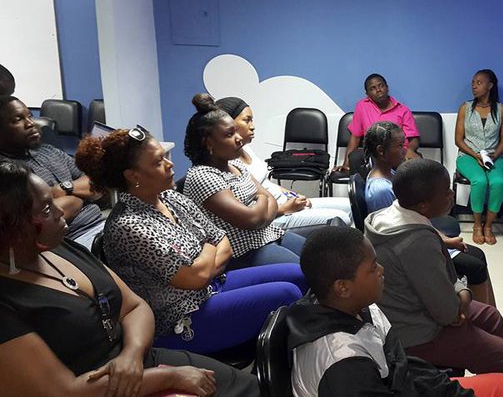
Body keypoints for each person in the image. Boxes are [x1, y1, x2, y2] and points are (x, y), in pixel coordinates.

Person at [0, 161, 259, 396]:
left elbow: (135, 306)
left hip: (140, 357)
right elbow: (61, 393)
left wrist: (132, 355)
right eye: (46, 208)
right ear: (10, 226)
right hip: (100, 389)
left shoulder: (62, 247)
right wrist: (166, 376)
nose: (60, 211)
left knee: (248, 387)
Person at [75, 128, 305, 354]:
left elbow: (223, 241)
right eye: (158, 162)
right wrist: (207, 250)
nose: (170, 164)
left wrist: (205, 262)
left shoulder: (171, 197)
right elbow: (195, 276)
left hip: (211, 287)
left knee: (300, 274)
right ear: (133, 176)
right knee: (287, 294)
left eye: (164, 156)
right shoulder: (129, 225)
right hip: (180, 318)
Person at [288, 225, 503, 397]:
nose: (381, 270)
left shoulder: (359, 308)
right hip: (384, 385)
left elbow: (399, 363)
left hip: (397, 383)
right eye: (372, 268)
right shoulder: (343, 365)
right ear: (343, 287)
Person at [364, 159, 503, 382]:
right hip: (414, 333)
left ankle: (488, 359)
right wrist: (463, 294)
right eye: (446, 192)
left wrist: (460, 293)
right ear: (423, 204)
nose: (452, 194)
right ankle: (487, 376)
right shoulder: (416, 242)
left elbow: (444, 276)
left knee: (491, 316)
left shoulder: (389, 215)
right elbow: (448, 314)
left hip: (412, 309)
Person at [364, 121, 499, 308]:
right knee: (475, 266)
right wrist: (443, 241)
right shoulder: (380, 189)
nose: (405, 150)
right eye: (399, 146)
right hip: (409, 250)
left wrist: (443, 238)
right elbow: (397, 234)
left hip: (419, 235)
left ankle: (494, 320)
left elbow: (415, 220)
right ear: (381, 151)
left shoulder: (391, 174)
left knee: (478, 254)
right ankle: (482, 321)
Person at [182, 94, 307, 267]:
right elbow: (252, 219)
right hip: (243, 252)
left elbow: (266, 206)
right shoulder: (202, 176)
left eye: (235, 131)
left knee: (317, 257)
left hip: (269, 234)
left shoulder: (234, 163)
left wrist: (261, 205)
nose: (239, 138)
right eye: (229, 134)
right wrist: (261, 199)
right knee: (303, 270)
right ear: (208, 142)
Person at [214, 95, 352, 228]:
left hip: (286, 202)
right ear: (228, 124)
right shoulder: (228, 163)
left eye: (252, 120)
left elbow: (267, 185)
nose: (252, 126)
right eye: (247, 120)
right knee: (341, 218)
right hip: (275, 216)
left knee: (349, 205)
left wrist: (294, 195)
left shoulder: (247, 149)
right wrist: (285, 208)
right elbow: (249, 214)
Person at [0, 96, 105, 249]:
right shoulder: (8, 174)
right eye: (18, 119)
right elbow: (42, 219)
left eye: (29, 116)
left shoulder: (48, 151)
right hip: (70, 241)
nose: (30, 123)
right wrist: (78, 197)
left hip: (100, 223)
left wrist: (63, 189)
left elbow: (96, 184)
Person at [454, 69, 503, 246]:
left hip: (493, 156)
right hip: (468, 155)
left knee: (498, 182)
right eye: (473, 83)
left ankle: (489, 226)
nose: (474, 86)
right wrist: (476, 155)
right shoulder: (465, 108)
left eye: (479, 82)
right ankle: (477, 225)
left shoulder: (502, 110)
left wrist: (494, 156)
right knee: (479, 180)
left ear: (490, 85)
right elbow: (458, 140)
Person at [333, 73, 421, 173]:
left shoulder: (403, 110)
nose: (378, 90)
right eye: (373, 88)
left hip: (396, 153)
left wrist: (410, 150)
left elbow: (413, 139)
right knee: (356, 157)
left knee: (415, 164)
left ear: (387, 88)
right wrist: (346, 164)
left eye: (381, 86)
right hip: (373, 154)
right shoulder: (362, 107)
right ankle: (367, 188)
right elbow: (355, 137)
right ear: (368, 94)